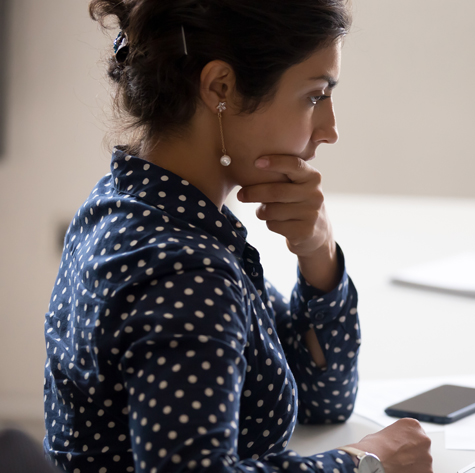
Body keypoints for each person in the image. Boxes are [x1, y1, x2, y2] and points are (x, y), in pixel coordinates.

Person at [42, 1, 432, 472]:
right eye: (314, 95)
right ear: (220, 87)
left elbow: (322, 399)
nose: (330, 130)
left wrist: (318, 253)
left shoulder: (134, 203)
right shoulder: (184, 271)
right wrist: (366, 462)